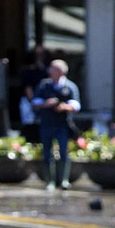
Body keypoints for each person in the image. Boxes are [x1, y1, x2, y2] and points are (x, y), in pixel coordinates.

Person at [32, 59, 81, 191]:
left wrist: (65, 107)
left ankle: (64, 180)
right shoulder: (44, 85)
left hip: (62, 124)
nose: (51, 71)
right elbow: (35, 101)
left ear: (62, 71)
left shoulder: (69, 86)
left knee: (64, 151)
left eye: (54, 69)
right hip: (46, 123)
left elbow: (76, 104)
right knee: (47, 153)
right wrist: (46, 104)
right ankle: (50, 181)